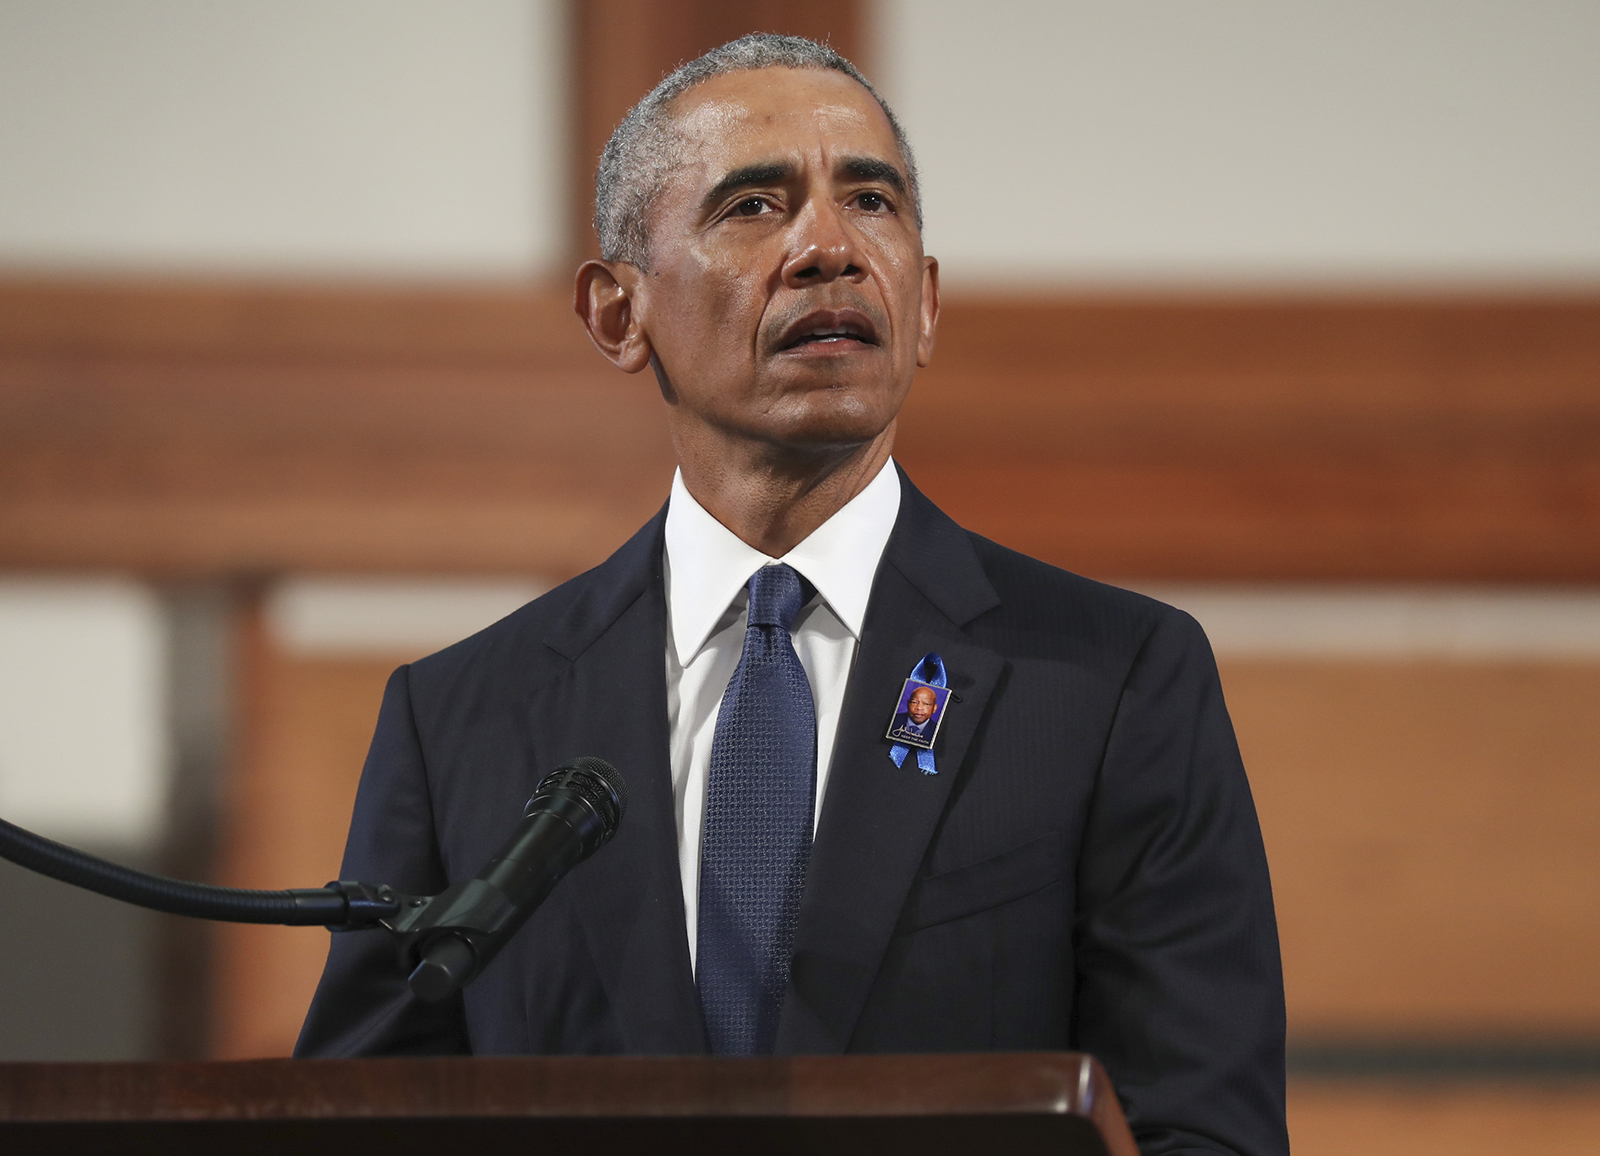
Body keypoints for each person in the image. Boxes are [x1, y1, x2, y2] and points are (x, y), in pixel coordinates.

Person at [298, 34, 1287, 1156]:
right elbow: (355, 1124)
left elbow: (1205, 1130)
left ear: (923, 299)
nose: (830, 247)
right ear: (618, 315)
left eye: (871, 199)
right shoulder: (461, 719)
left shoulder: (1112, 685)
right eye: (753, 207)